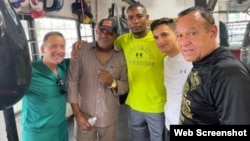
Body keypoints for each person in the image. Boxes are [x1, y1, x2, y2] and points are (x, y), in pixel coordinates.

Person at [175, 6, 250, 124]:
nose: (183, 42)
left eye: (192, 33)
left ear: (212, 32)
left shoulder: (228, 75)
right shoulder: (202, 61)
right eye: (179, 35)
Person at [67, 17, 128, 141]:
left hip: (109, 117)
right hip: (84, 115)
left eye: (109, 33)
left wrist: (113, 83)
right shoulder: (81, 51)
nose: (104, 35)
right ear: (96, 31)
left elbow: (125, 85)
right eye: (101, 31)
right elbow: (72, 82)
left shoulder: (121, 56)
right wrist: (77, 115)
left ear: (116, 36)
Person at [114, 3, 166, 141]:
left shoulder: (159, 40)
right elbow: (103, 47)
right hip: (134, 104)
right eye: (130, 18)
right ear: (126, 21)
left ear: (147, 18)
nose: (135, 21)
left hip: (157, 105)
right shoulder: (122, 41)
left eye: (139, 16)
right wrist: (84, 45)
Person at [150, 18, 192, 141]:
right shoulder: (166, 60)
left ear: (177, 34)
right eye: (156, 37)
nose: (160, 41)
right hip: (170, 122)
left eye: (164, 35)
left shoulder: (191, 61)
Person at [21, 31, 69, 141]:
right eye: (54, 46)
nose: (59, 50)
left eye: (62, 46)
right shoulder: (28, 71)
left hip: (61, 129)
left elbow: (82, 59)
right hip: (38, 134)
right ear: (43, 49)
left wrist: (79, 46)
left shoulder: (63, 66)